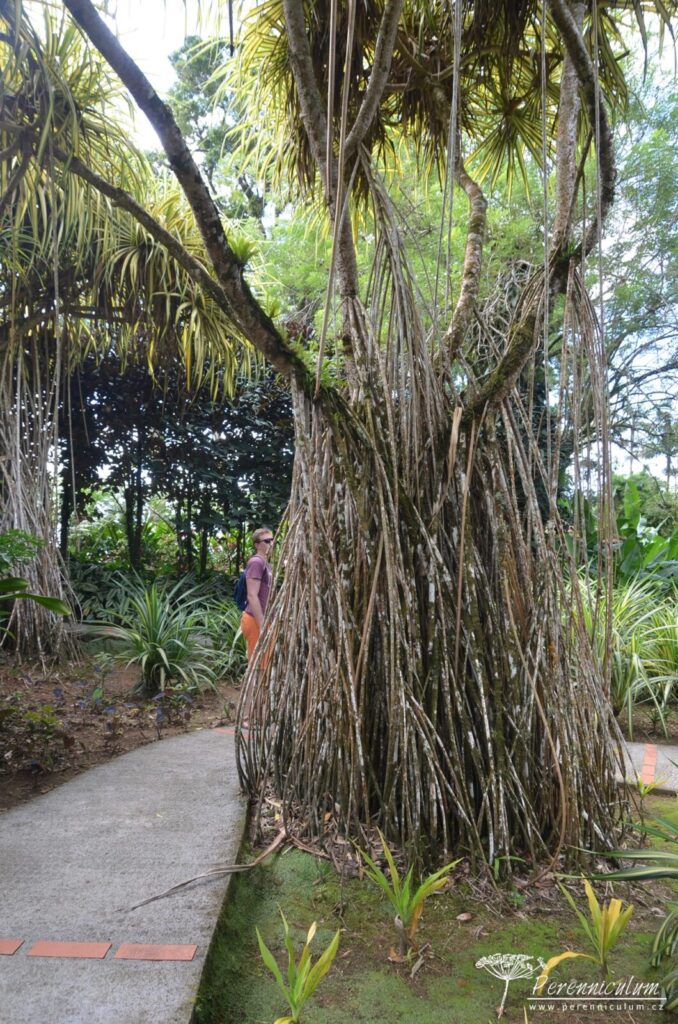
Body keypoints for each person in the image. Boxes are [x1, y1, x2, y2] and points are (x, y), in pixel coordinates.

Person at [240, 526, 275, 663]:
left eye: (272, 540)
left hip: (264, 619)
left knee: (266, 663)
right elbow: (252, 595)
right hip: (256, 619)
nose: (271, 543)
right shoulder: (256, 562)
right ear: (257, 545)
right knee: (259, 664)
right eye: (266, 541)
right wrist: (262, 625)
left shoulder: (267, 564)